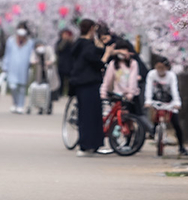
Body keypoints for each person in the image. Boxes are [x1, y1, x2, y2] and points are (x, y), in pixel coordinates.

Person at [69, 18, 116, 156]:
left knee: (86, 114)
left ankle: (89, 145)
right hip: (89, 83)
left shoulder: (78, 44)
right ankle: (89, 145)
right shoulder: (87, 46)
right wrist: (107, 53)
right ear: (91, 29)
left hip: (80, 84)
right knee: (91, 115)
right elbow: (98, 63)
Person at [144, 56, 188, 156]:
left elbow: (174, 89)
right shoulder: (151, 74)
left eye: (162, 68)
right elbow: (148, 89)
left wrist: (177, 103)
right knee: (154, 122)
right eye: (158, 67)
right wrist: (148, 101)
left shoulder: (171, 76)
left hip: (169, 103)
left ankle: (181, 147)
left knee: (176, 125)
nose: (160, 70)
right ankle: (155, 136)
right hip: (156, 102)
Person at [2, 24, 35, 113]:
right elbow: (7, 54)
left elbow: (32, 55)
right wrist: (5, 66)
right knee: (13, 86)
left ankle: (20, 105)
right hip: (12, 67)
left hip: (24, 68)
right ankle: (14, 103)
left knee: (22, 87)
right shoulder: (11, 41)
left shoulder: (30, 42)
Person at [100, 48, 141, 115]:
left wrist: (130, 94)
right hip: (117, 95)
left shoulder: (133, 63)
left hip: (131, 96)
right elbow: (107, 80)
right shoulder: (113, 64)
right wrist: (103, 94)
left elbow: (132, 81)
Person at [55, 28, 76, 97]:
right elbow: (59, 49)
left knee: (70, 80)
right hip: (62, 64)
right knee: (61, 80)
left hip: (70, 64)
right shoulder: (59, 42)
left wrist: (70, 41)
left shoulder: (72, 43)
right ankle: (60, 93)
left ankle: (70, 93)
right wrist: (64, 41)